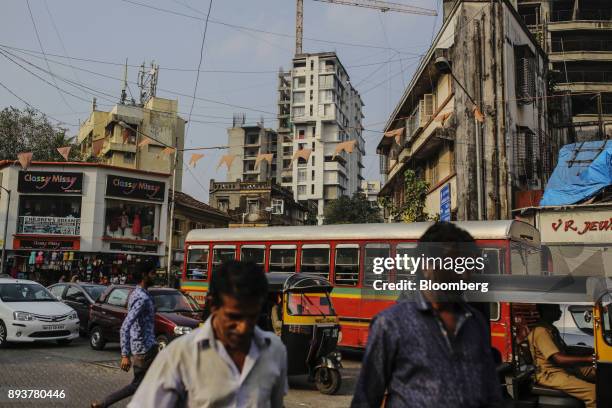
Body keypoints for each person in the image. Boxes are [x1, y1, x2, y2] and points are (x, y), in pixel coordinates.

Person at [351, 222, 502, 408]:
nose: (464, 276)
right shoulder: (391, 325)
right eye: (455, 265)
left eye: (470, 266)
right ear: (427, 266)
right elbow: (365, 399)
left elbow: (492, 393)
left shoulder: (476, 323)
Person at [128, 260, 288, 407]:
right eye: (234, 317)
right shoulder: (179, 356)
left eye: (253, 316)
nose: (243, 328)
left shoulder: (274, 350)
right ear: (212, 305)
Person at [91, 262, 158, 408]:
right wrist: (124, 355)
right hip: (145, 350)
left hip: (146, 348)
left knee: (148, 385)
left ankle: (103, 403)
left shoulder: (138, 293)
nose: (155, 275)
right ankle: (103, 403)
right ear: (144, 275)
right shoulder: (142, 298)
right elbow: (126, 325)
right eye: (152, 273)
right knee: (142, 385)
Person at [528, 304, 596, 408]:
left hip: (563, 369)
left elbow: (565, 349)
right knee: (594, 392)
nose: (560, 312)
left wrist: (589, 351)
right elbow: (558, 358)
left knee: (601, 372)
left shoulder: (551, 329)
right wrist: (587, 359)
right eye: (556, 309)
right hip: (551, 374)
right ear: (545, 311)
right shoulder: (541, 331)